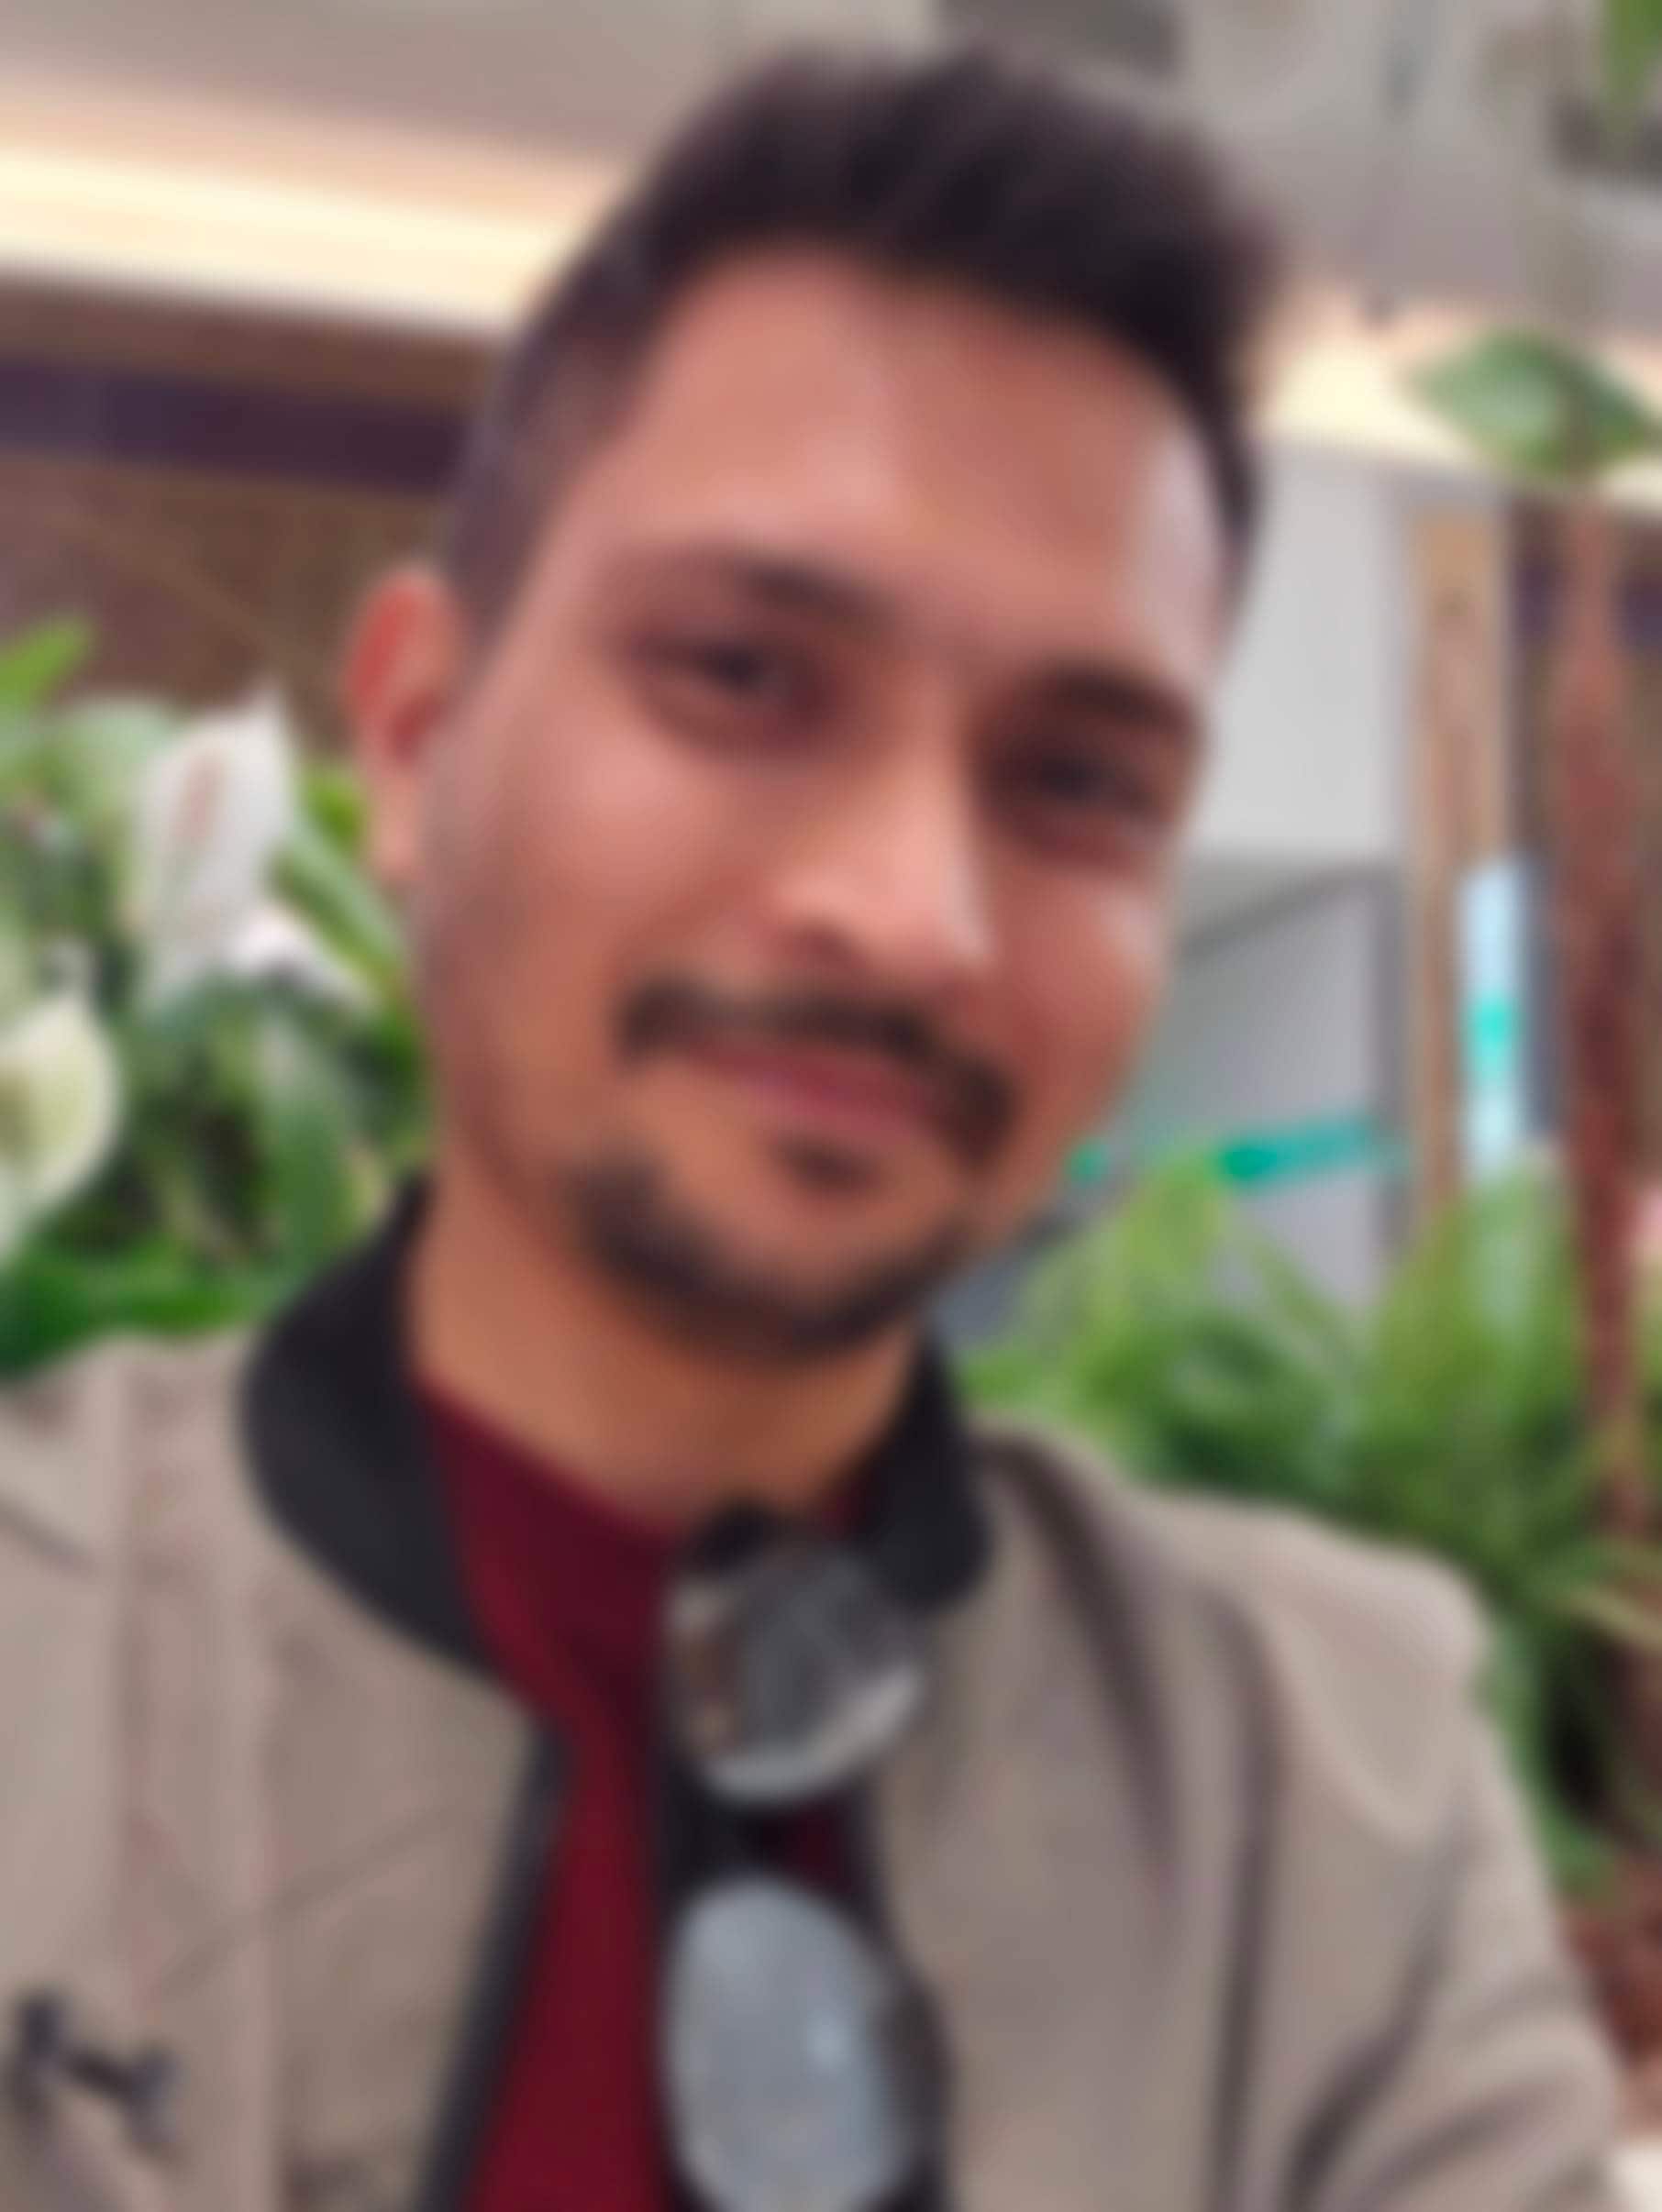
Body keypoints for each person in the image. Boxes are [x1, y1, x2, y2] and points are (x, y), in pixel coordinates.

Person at [0, 41, 1622, 2212]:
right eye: (744, 676)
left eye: (1079, 782)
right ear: (414, 737)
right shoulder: (53, 1644)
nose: (911, 914)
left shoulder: (1331, 1793)